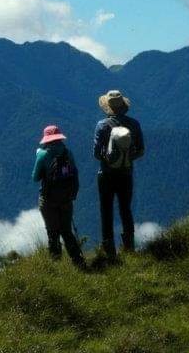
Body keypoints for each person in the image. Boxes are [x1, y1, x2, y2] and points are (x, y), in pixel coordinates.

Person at [92, 89, 145, 258]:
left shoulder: (102, 125)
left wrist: (109, 159)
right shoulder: (134, 124)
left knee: (106, 211)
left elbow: (95, 153)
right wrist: (127, 159)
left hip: (106, 175)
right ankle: (129, 247)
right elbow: (141, 150)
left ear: (108, 107)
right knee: (125, 210)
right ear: (123, 105)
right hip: (126, 173)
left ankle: (109, 251)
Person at [33, 124, 86, 268]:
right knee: (67, 231)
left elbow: (35, 177)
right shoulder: (68, 153)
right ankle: (78, 261)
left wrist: (39, 156)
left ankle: (55, 264)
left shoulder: (43, 154)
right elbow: (74, 174)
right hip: (66, 198)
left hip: (48, 198)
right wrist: (73, 194)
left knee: (52, 232)